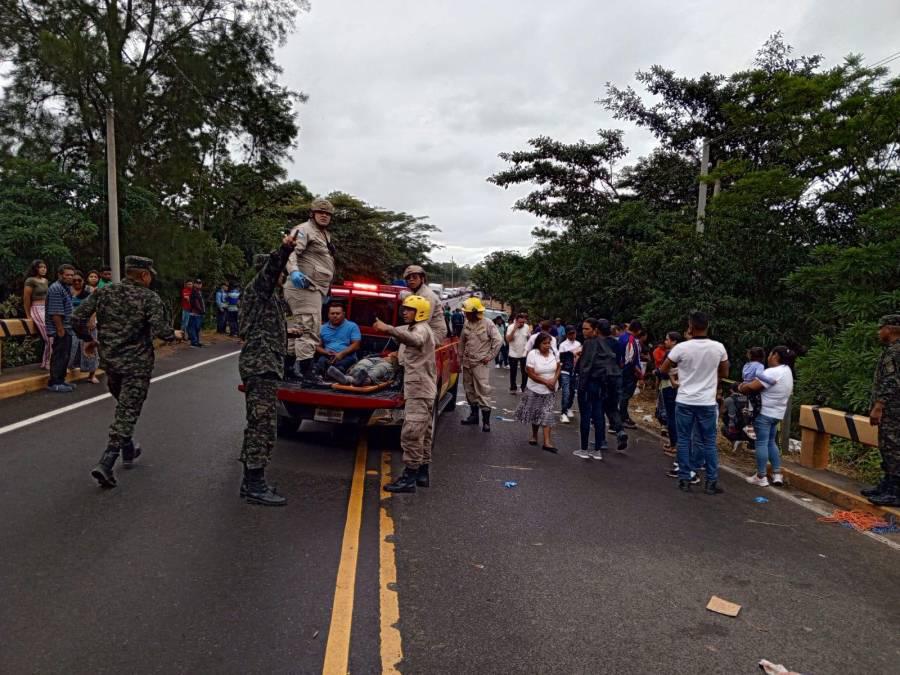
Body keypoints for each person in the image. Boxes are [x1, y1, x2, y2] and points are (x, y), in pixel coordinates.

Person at [73, 257, 184, 488]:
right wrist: (176, 335)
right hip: (137, 366)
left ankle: (128, 448)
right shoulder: (149, 297)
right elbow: (161, 331)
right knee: (127, 412)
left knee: (124, 407)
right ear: (144, 275)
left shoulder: (105, 293)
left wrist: (87, 339)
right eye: (150, 274)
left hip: (111, 363)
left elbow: (77, 317)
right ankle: (106, 462)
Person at [237, 235, 303, 506]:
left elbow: (263, 327)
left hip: (268, 365)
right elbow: (270, 270)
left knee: (260, 424)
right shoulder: (259, 289)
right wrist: (286, 249)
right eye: (280, 272)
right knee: (262, 427)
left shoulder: (271, 299)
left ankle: (251, 481)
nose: (282, 277)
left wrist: (288, 331)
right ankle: (254, 483)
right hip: (260, 366)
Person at [661, 311, 729, 495]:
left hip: (684, 399)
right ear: (708, 326)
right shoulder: (718, 348)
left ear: (690, 326)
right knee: (709, 442)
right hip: (707, 401)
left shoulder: (681, 348)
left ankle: (684, 479)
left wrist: (678, 377)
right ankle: (711, 482)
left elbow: (664, 368)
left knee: (683, 440)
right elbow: (725, 373)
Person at [374, 296, 437, 493]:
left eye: (409, 309)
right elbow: (403, 335)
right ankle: (422, 473)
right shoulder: (414, 327)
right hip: (422, 389)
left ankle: (409, 478)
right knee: (424, 434)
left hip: (419, 391)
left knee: (411, 434)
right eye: (405, 309)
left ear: (419, 311)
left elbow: (415, 339)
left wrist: (388, 329)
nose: (404, 312)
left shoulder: (420, 329)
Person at [284, 198, 337, 378]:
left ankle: (288, 369)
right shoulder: (304, 230)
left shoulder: (324, 235)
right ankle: (309, 376)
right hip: (304, 287)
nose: (324, 216)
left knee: (299, 329)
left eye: (328, 214)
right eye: (320, 212)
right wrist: (293, 272)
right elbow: (291, 251)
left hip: (314, 289)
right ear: (312, 214)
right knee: (309, 329)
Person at [738, 346, 795, 487]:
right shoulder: (787, 371)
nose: (768, 357)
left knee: (761, 443)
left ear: (775, 356)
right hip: (777, 414)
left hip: (764, 413)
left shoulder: (772, 372)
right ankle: (777, 474)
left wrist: (740, 387)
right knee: (771, 442)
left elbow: (752, 387)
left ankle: (761, 476)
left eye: (770, 354)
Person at [862, 314, 900, 506]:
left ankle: (895, 491)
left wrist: (879, 406)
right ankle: (887, 484)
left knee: (893, 447)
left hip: (894, 410)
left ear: (891, 329)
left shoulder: (895, 351)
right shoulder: (891, 350)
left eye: (881, 328)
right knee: (887, 446)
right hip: (891, 409)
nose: (879, 332)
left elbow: (892, 381)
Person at [458, 297, 502, 431]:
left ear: (474, 312)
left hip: (480, 364)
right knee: (469, 390)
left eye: (467, 312)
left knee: (483, 391)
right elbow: (462, 342)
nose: (465, 314)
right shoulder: (466, 323)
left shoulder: (487, 323)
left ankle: (486, 422)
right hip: (467, 363)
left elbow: (498, 341)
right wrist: (460, 358)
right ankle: (474, 416)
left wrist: (489, 357)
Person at [515, 332, 560, 452]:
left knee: (547, 413)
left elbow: (559, 367)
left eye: (549, 343)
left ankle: (547, 442)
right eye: (544, 343)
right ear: (538, 344)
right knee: (536, 412)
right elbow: (530, 372)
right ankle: (534, 436)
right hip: (535, 388)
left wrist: (554, 380)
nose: (547, 345)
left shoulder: (554, 353)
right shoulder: (532, 354)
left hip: (550, 390)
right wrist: (546, 382)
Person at [45, 264, 76, 393]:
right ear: (60, 275)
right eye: (67, 275)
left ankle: (61, 380)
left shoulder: (66, 288)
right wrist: (60, 330)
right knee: (59, 355)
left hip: (68, 327)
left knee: (65, 355)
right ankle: (55, 382)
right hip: (61, 328)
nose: (70, 277)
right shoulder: (56, 289)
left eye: (72, 275)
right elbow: (55, 312)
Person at [69, 271, 100, 384]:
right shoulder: (68, 291)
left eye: (79, 280)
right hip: (73, 323)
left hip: (88, 323)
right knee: (72, 347)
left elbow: (96, 305)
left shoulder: (90, 291)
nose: (77, 282)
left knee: (91, 348)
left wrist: (92, 320)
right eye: (74, 280)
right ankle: (71, 368)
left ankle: (92, 374)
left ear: (83, 280)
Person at [315, 302, 361, 377]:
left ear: (343, 314)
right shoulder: (322, 328)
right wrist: (326, 352)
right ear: (328, 315)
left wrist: (342, 354)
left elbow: (356, 345)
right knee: (319, 365)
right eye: (332, 313)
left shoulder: (352, 326)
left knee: (340, 368)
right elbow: (317, 346)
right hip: (328, 356)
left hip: (347, 356)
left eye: (337, 313)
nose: (335, 316)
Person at [402, 265, 447, 342]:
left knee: (402, 334)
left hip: (434, 332)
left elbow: (423, 321)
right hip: (423, 327)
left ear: (422, 279)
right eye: (408, 278)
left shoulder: (427, 296)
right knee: (395, 331)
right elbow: (406, 296)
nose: (411, 280)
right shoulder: (414, 292)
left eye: (414, 277)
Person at [23, 260, 51, 369]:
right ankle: (48, 362)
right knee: (49, 337)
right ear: (36, 268)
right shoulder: (30, 281)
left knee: (53, 336)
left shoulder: (46, 281)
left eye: (45, 267)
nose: (44, 269)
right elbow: (26, 299)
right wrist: (28, 315)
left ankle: (46, 362)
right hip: (36, 309)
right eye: (41, 267)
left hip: (47, 309)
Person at [657, 332, 682, 456]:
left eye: (667, 340)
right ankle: (674, 443)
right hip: (679, 386)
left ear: (674, 342)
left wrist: (657, 372)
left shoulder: (671, 354)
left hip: (669, 386)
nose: (665, 341)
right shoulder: (684, 353)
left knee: (671, 416)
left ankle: (674, 444)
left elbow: (663, 371)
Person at [618, 320, 643, 429]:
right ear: (638, 330)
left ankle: (625, 416)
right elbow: (631, 359)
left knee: (624, 394)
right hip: (629, 371)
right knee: (625, 395)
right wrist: (638, 372)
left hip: (623, 369)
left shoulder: (622, 337)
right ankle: (622, 418)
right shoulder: (631, 339)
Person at [328, 353, 399, 387]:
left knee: (379, 369)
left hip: (392, 364)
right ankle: (350, 379)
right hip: (378, 358)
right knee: (363, 364)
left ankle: (352, 380)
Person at [558, 325, 581, 423]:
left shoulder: (578, 343)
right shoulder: (563, 345)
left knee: (572, 392)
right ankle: (563, 413)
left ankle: (568, 407)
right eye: (570, 334)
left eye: (574, 333)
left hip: (575, 372)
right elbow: (561, 359)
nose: (572, 336)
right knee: (566, 392)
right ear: (567, 335)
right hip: (565, 371)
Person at [506, 313, 532, 393]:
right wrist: (514, 329)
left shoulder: (527, 327)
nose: (522, 324)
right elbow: (508, 340)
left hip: (524, 353)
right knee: (513, 372)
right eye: (520, 322)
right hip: (513, 353)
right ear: (516, 321)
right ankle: (513, 388)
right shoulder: (510, 327)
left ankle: (523, 387)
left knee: (525, 372)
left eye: (523, 322)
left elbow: (529, 339)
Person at [187, 279, 206, 347]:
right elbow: (195, 303)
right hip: (195, 313)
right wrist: (201, 311)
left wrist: (202, 311)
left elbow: (201, 303)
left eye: (200, 283)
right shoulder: (194, 292)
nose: (199, 284)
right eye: (197, 283)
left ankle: (196, 341)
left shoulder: (199, 292)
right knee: (193, 328)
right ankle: (194, 342)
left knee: (197, 328)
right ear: (194, 284)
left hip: (199, 313)